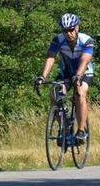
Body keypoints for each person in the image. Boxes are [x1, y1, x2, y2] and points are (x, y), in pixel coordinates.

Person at [34, 13, 94, 143]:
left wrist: (78, 76)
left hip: (84, 72)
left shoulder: (86, 40)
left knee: (80, 93)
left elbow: (85, 60)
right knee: (54, 93)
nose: (68, 33)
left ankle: (82, 131)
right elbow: (50, 58)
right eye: (65, 30)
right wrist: (43, 77)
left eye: (71, 30)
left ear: (77, 27)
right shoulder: (58, 40)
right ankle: (64, 126)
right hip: (66, 73)